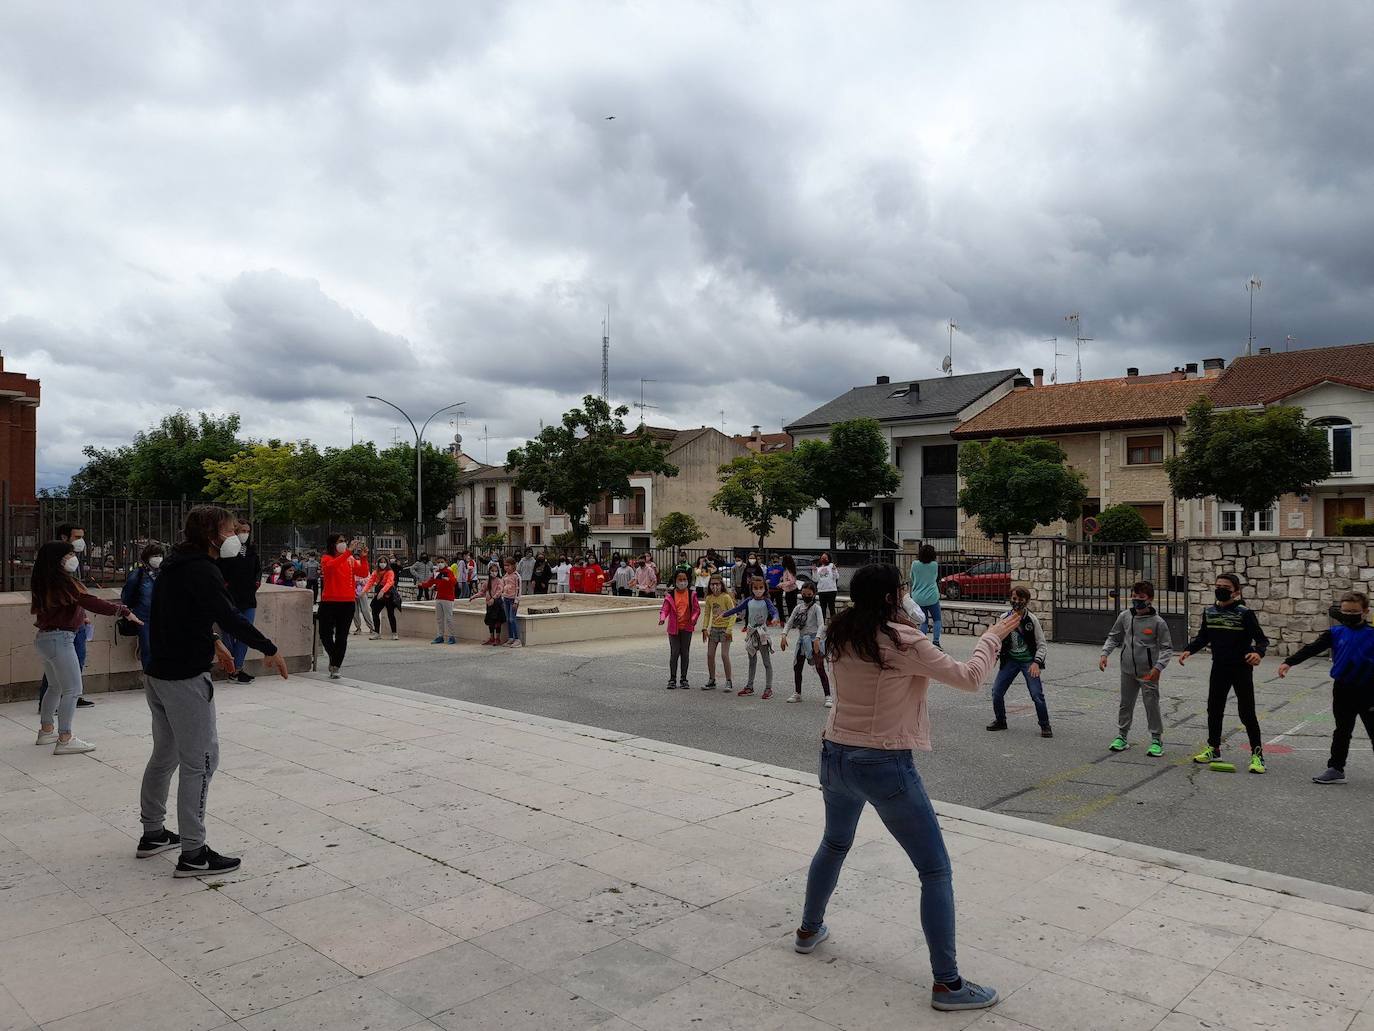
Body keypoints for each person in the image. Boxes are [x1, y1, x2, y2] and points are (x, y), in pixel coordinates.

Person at [795, 563, 1019, 1013]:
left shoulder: (841, 632)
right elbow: (970, 677)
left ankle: (808, 930)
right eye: (900, 590)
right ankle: (947, 984)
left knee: (835, 842)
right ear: (890, 597)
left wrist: (907, 619)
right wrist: (991, 636)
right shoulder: (901, 641)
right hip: (883, 760)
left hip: (835, 753)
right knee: (934, 870)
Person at [140, 505, 288, 877]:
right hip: (184, 679)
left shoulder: (175, 564)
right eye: (228, 530)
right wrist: (269, 647)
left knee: (166, 755)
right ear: (211, 536)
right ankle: (193, 853)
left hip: (158, 672)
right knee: (202, 762)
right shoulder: (202, 570)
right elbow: (231, 616)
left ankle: (153, 833)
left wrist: (214, 642)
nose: (236, 536)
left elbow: (181, 615)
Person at [32, 540, 139, 754]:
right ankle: (65, 737)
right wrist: (123, 611)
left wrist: (81, 617)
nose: (73, 558)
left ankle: (46, 730)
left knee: (55, 687)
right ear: (58, 559)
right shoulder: (63, 582)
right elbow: (90, 601)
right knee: (72, 689)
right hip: (60, 639)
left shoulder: (45, 581)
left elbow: (68, 606)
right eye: (69, 554)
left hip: (46, 639)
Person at [1279, 591, 1374, 785]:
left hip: (1369, 690)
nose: (1348, 614)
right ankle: (1336, 768)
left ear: (1365, 611)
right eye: (1345, 611)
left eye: (1354, 611)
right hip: (1342, 689)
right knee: (1342, 730)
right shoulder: (1335, 632)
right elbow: (1312, 648)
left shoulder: (1372, 634)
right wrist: (1289, 662)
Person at [1179, 572, 1269, 773]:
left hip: (1241, 668)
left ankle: (1257, 755)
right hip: (1219, 666)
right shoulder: (1209, 612)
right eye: (1218, 585)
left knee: (1246, 712)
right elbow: (1203, 637)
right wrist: (1188, 649)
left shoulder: (1245, 613)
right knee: (1214, 708)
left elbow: (1262, 640)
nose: (1220, 589)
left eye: (1226, 587)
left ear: (1236, 592)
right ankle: (1214, 748)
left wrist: (1258, 653)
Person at [1100, 580, 1172, 756]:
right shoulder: (1125, 616)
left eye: (1141, 597)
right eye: (1134, 597)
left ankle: (1156, 740)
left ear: (1150, 599)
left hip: (1148, 672)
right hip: (1127, 670)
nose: (1137, 601)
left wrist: (1158, 667)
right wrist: (1104, 654)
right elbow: (1114, 637)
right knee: (1126, 704)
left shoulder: (1158, 622)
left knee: (1151, 704)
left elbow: (1167, 648)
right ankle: (1122, 736)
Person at [40, 523, 96, 711]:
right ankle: (60, 722)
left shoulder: (73, 562)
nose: (81, 541)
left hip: (75, 621)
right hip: (61, 628)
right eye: (76, 537)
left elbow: (78, 594)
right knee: (58, 669)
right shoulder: (55, 567)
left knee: (76, 660)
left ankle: (70, 699)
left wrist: (84, 614)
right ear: (64, 538)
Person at [986, 586, 1052, 738]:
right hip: (1010, 660)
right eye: (1014, 599)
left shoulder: (1031, 620)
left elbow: (1041, 644)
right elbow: (998, 640)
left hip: (1028, 661)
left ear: (1027, 601)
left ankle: (1045, 724)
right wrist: (994, 658)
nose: (1016, 602)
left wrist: (1036, 663)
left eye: (1020, 599)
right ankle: (1001, 720)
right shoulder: (1004, 618)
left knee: (1037, 694)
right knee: (997, 692)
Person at [216, 518, 261, 684]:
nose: (245, 534)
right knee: (228, 633)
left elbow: (257, 570)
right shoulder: (226, 551)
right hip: (230, 598)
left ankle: (238, 667)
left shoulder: (251, 551)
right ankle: (232, 669)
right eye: (242, 531)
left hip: (248, 597)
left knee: (246, 632)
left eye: (247, 531)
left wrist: (256, 582)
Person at [722, 576, 778, 698]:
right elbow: (737, 609)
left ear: (765, 588)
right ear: (751, 588)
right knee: (752, 661)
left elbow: (774, 611)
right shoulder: (748, 601)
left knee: (766, 662)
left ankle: (768, 688)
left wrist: (774, 618)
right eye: (755, 588)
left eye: (761, 588)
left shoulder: (767, 601)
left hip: (762, 633)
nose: (758, 590)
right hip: (751, 633)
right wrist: (724, 614)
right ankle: (749, 687)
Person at [319, 534, 365, 679]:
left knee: (342, 636)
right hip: (329, 601)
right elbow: (331, 568)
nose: (344, 543)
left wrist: (363, 558)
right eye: (340, 541)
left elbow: (363, 572)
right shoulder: (327, 558)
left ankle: (336, 665)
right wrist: (347, 553)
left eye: (344, 541)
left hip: (347, 602)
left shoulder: (350, 559)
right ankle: (334, 657)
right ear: (333, 544)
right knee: (325, 634)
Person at [782, 580, 832, 705]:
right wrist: (784, 635)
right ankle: (797, 693)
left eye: (809, 594)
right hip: (802, 640)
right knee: (797, 667)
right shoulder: (798, 607)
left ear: (814, 594)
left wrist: (818, 638)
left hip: (814, 640)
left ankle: (828, 696)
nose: (806, 596)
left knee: (820, 667)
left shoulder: (817, 608)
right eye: (804, 594)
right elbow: (790, 622)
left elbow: (821, 624)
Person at [121, 542, 164, 674]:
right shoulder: (138, 574)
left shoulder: (164, 573)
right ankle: (150, 675)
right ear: (147, 557)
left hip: (162, 615)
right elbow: (127, 595)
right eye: (154, 555)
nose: (157, 558)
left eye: (159, 555)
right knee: (148, 648)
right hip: (144, 617)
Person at [659, 567, 701, 689]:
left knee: (685, 653)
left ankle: (683, 679)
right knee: (675, 653)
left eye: (684, 579)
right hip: (673, 628)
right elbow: (665, 609)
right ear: (675, 581)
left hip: (687, 628)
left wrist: (693, 619)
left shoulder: (692, 594)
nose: (682, 582)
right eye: (680, 579)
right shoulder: (671, 594)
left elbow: (696, 609)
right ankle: (672, 679)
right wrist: (662, 618)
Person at [701, 572, 735, 692]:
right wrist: (705, 628)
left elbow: (733, 613)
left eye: (717, 584)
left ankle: (728, 680)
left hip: (725, 629)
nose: (715, 586)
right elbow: (706, 614)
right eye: (712, 584)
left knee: (724, 655)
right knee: (710, 655)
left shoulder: (726, 597)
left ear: (721, 584)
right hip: (714, 629)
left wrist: (729, 630)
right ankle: (712, 680)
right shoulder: (709, 598)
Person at [909, 545, 942, 649]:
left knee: (923, 620)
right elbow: (935, 578)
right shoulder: (934, 565)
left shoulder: (914, 564)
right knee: (937, 619)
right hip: (932, 596)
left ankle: (922, 643)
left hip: (918, 596)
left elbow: (912, 578)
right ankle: (936, 642)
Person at [422, 561, 458, 644]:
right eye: (438, 562)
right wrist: (422, 584)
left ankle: (452, 637)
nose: (440, 564)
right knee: (439, 618)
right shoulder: (436, 573)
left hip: (448, 598)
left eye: (442, 562)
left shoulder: (449, 572)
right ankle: (440, 636)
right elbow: (430, 582)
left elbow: (454, 582)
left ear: (445, 563)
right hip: (439, 598)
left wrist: (448, 579)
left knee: (449, 618)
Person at [365, 558, 401, 640]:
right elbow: (370, 582)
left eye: (384, 562)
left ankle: (394, 633)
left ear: (387, 563)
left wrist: (382, 591)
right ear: (378, 563)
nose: (382, 564)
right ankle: (377, 633)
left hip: (388, 594)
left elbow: (389, 582)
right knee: (374, 610)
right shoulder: (375, 572)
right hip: (380, 596)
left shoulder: (390, 572)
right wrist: (364, 591)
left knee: (390, 613)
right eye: (381, 562)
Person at [500, 557, 524, 647]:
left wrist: (516, 601)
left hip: (513, 600)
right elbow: (502, 586)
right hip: (506, 599)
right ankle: (510, 638)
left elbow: (518, 589)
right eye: (505, 565)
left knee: (512, 619)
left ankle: (517, 639)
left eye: (508, 565)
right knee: (507, 619)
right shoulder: (505, 576)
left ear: (513, 565)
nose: (506, 567)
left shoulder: (516, 576)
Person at [480, 560, 506, 644]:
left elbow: (499, 591)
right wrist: (473, 596)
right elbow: (482, 592)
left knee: (497, 621)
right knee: (490, 621)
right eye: (492, 571)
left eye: (495, 571)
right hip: (489, 604)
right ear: (489, 571)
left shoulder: (499, 580)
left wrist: (493, 599)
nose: (494, 572)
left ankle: (497, 638)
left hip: (497, 603)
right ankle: (491, 638)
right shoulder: (487, 582)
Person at [351, 544, 374, 634]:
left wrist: (360, 582)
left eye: (358, 557)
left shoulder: (364, 566)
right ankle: (358, 627)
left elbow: (368, 578)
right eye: (355, 557)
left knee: (365, 609)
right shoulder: (352, 567)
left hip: (362, 591)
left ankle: (371, 627)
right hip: (353, 591)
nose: (356, 559)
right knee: (355, 611)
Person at [813, 553, 839, 621]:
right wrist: (814, 571)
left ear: (828, 559)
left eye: (825, 558)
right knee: (822, 608)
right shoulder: (818, 568)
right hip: (822, 591)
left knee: (831, 608)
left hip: (831, 590)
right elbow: (815, 579)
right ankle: (822, 624)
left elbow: (836, 577)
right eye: (822, 558)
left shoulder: (831, 565)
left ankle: (834, 624)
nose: (824, 559)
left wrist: (834, 570)